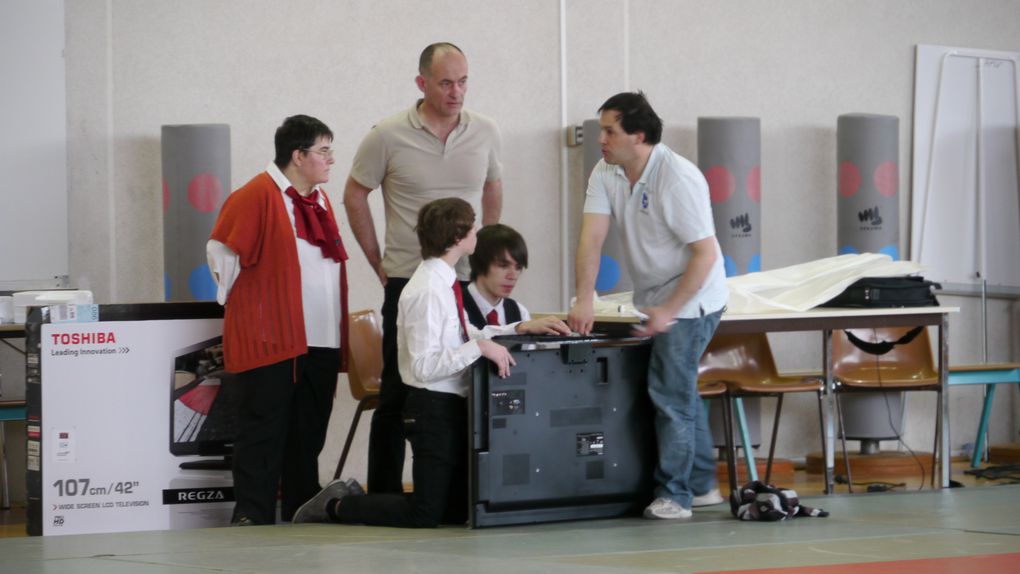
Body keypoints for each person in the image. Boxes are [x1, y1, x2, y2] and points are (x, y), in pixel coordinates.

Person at [293, 198, 569, 528]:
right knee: (424, 515)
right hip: (431, 407)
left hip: (450, 403)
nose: (478, 230)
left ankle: (360, 500)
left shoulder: (445, 281)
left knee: (454, 509)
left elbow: (465, 333)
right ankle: (336, 505)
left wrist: (518, 327)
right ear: (457, 237)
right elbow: (423, 367)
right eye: (472, 224)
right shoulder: (426, 290)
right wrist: (479, 348)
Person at [344, 42, 504, 494]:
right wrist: (377, 261)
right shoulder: (387, 134)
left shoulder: (486, 130)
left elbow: (493, 186)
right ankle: (384, 496)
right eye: (446, 83)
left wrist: (486, 248)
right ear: (422, 84)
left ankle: (460, 490)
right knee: (398, 390)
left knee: (467, 384)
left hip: (465, 279)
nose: (457, 92)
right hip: (407, 279)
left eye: (464, 81)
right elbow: (355, 194)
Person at [566, 92, 729, 521]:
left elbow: (706, 255)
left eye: (609, 131)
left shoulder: (677, 178)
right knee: (676, 389)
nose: (600, 138)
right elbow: (592, 238)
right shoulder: (607, 170)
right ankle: (702, 483)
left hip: (693, 298)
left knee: (669, 393)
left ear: (638, 136)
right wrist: (584, 296)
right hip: (654, 293)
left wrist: (669, 310)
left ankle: (676, 496)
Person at [206, 114, 350, 525]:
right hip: (273, 337)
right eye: (324, 151)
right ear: (297, 155)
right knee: (263, 429)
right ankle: (251, 514)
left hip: (320, 336)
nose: (330, 160)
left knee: (308, 431)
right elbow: (221, 252)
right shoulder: (255, 195)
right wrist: (252, 304)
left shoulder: (318, 201)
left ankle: (302, 506)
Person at [463, 224, 531, 329]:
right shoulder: (455, 307)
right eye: (503, 266)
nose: (512, 276)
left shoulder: (520, 312)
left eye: (518, 267)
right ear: (480, 264)